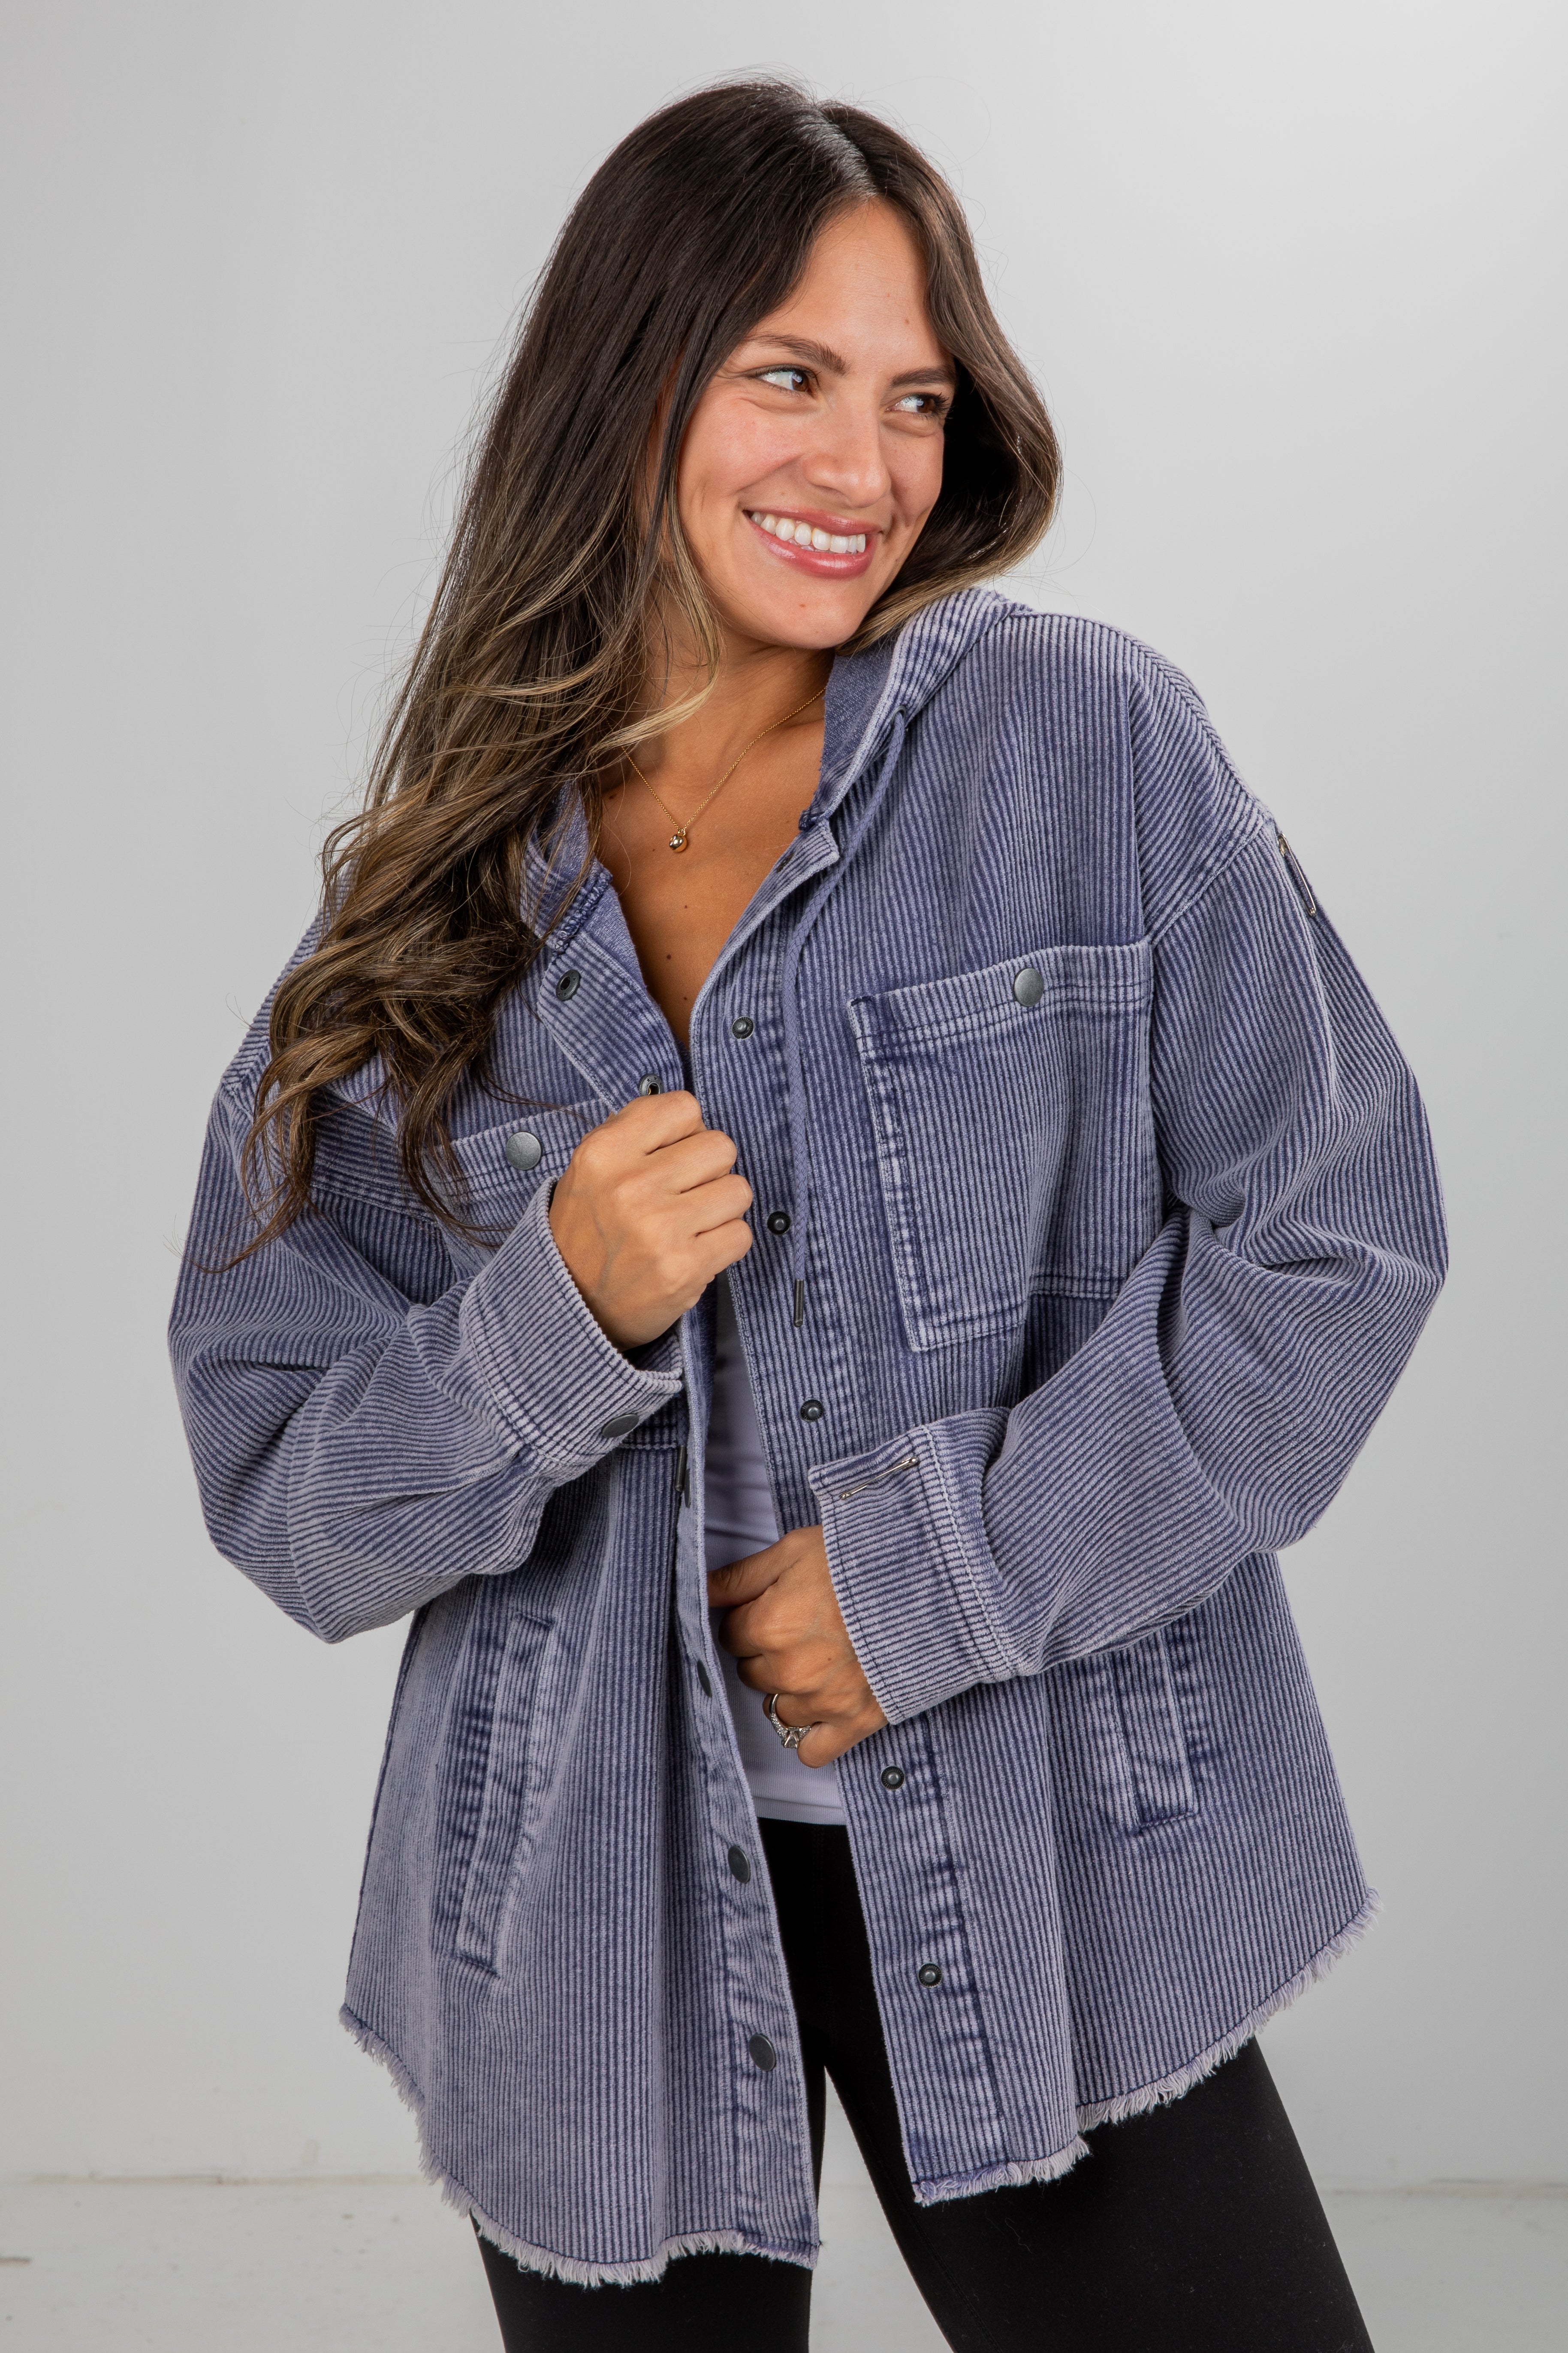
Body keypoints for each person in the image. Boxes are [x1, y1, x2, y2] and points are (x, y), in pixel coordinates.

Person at [169, 79, 1447, 2352]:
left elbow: (1333, 1235)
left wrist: (939, 1573)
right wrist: (550, 1311)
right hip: (584, 1925)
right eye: (789, 375)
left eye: (915, 397)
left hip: (1060, 1850)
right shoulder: (434, 916)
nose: (863, 472)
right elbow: (289, 1496)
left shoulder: (1076, 747)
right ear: (628, 383)